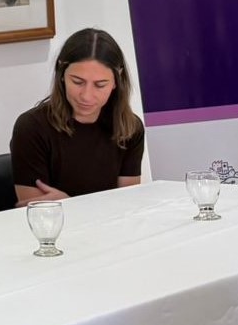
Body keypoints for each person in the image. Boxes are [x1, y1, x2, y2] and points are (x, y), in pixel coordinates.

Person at [10, 28, 145, 204]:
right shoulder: (31, 128)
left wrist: (69, 203)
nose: (86, 96)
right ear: (62, 73)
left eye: (100, 85)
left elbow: (127, 204)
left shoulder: (130, 128)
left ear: (116, 80)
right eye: (77, 82)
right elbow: (37, 210)